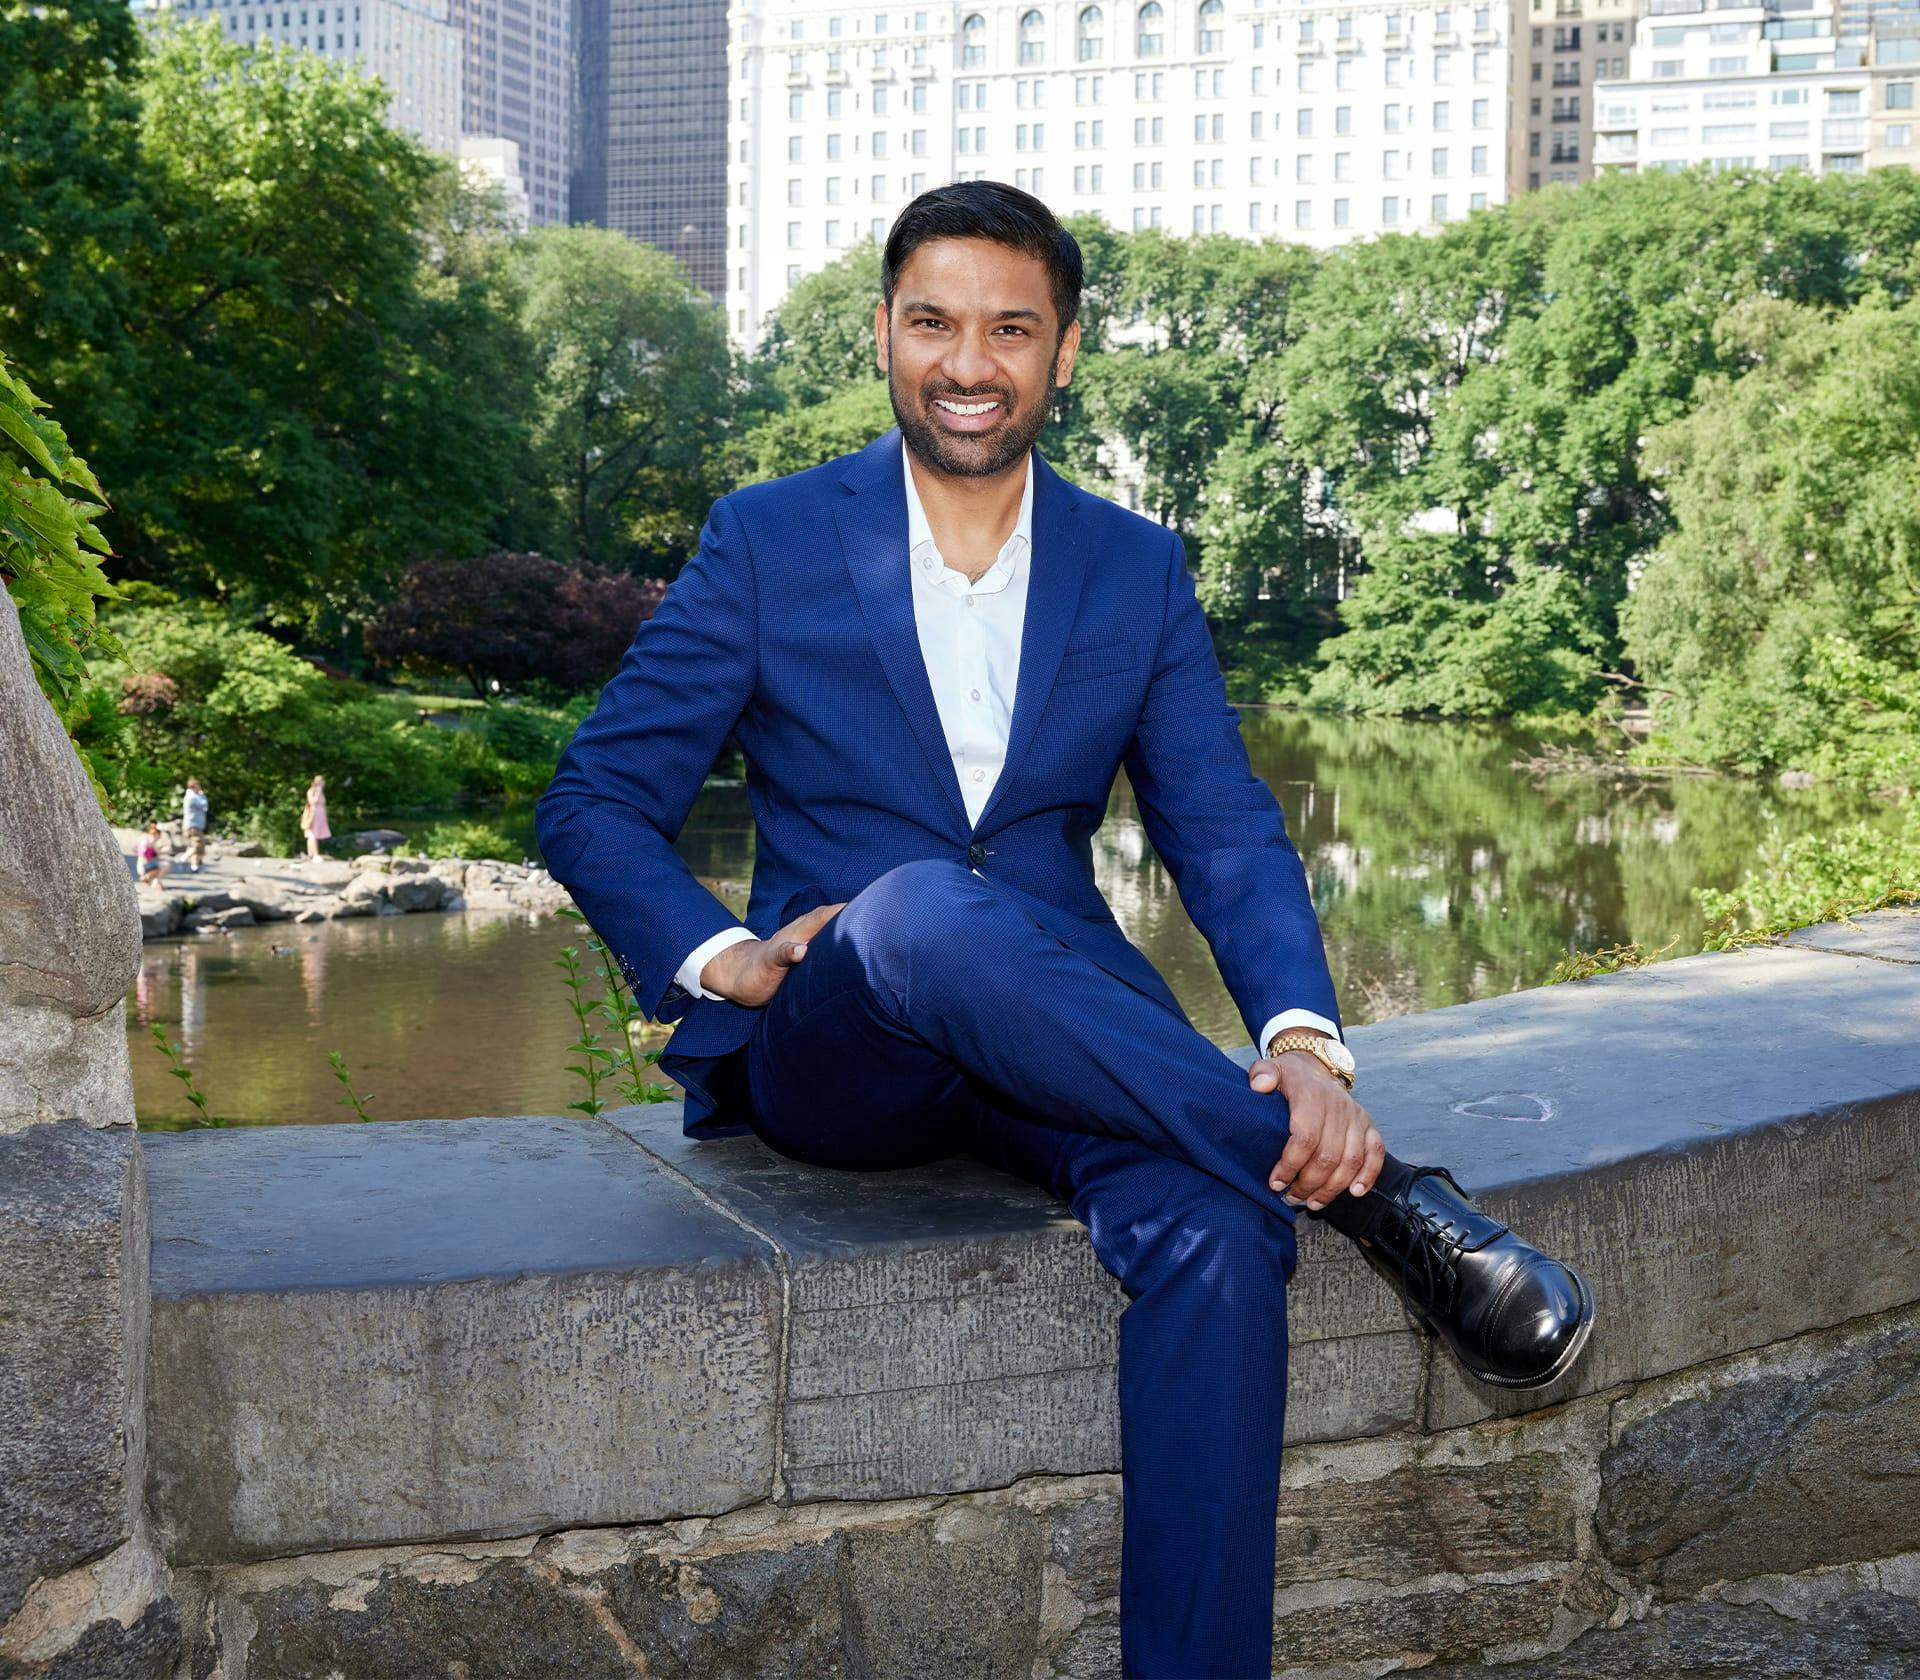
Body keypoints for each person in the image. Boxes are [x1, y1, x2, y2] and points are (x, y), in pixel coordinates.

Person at [535, 183, 1595, 1680]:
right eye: (935, 324)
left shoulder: (1134, 567)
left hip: (1060, 1042)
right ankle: (1388, 1207)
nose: (969, 362)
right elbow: (592, 802)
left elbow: (1218, 829)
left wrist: (1303, 1041)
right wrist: (728, 957)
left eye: (1009, 329)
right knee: (915, 908)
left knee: (1226, 1238)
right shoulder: (768, 542)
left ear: (1065, 352)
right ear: (886, 337)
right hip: (846, 1042)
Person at [300, 774, 330, 864]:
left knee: (313, 835)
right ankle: (315, 854)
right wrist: (318, 791)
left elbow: (323, 803)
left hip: (320, 815)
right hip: (313, 815)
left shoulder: (321, 792)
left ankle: (311, 854)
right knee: (313, 834)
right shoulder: (312, 791)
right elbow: (313, 801)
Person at [182, 777, 209, 873]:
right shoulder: (192, 797)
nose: (200, 788)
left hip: (194, 825)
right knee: (197, 846)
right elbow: (205, 806)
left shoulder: (192, 796)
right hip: (193, 826)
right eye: (198, 786)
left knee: (196, 847)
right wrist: (202, 796)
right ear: (193, 787)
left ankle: (194, 866)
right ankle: (184, 858)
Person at [138, 821, 166, 886]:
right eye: (158, 836)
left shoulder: (151, 843)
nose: (158, 838)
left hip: (146, 863)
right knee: (164, 866)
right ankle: (146, 877)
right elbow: (143, 855)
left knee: (162, 865)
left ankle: (153, 881)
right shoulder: (146, 842)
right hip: (143, 864)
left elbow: (157, 854)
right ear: (155, 835)